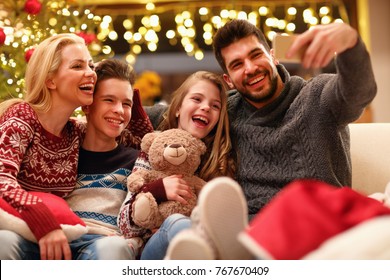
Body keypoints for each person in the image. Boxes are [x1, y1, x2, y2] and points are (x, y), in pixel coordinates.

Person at [148, 19, 377, 259]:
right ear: (229, 80)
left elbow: (359, 91)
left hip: (319, 228)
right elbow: (149, 114)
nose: (250, 68)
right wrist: (109, 90)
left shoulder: (317, 96)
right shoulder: (225, 112)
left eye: (255, 55)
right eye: (237, 64)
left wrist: (350, 44)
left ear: (273, 57)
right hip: (252, 231)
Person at [0, 34, 152, 260]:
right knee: (4, 241)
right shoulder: (23, 116)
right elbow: (2, 179)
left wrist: (126, 91)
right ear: (50, 80)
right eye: (77, 65)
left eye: (91, 65)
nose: (90, 72)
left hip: (63, 235)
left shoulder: (74, 132)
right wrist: (46, 222)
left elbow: (145, 142)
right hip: (25, 229)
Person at [118, 70, 235, 259]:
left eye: (215, 106)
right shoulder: (154, 150)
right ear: (179, 107)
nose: (205, 107)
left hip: (200, 251)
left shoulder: (219, 163)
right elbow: (124, 225)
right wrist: (157, 190)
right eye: (197, 99)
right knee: (177, 223)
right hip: (153, 251)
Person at [64, 58, 143, 259]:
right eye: (109, 100)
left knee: (113, 248)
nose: (119, 110)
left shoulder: (136, 160)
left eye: (126, 104)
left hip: (102, 246)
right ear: (87, 106)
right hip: (56, 240)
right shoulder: (62, 153)